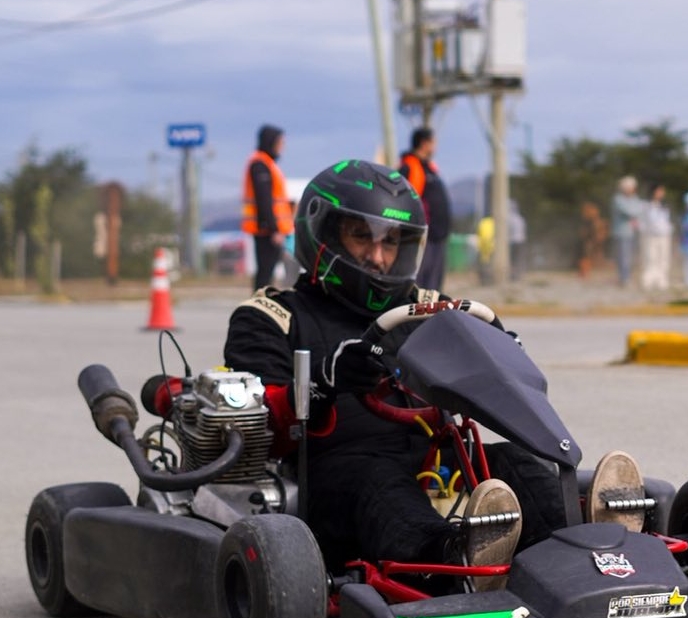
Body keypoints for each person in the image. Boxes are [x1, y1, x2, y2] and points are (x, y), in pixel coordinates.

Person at [222, 160, 643, 589]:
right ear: (324, 236)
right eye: (361, 237)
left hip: (437, 463)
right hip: (333, 480)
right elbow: (258, 425)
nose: (378, 257)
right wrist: (325, 382)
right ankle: (455, 560)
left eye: (391, 242)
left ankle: (589, 541)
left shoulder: (427, 307)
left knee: (513, 462)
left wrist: (502, 354)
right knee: (378, 481)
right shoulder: (272, 316)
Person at [241, 124, 294, 290]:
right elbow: (264, 200)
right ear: (271, 142)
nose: (282, 146)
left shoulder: (267, 164)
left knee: (267, 273)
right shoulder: (260, 165)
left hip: (270, 229)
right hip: (266, 230)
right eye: (280, 142)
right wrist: (273, 229)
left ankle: (263, 299)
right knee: (265, 273)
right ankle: (259, 302)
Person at [400, 127, 451, 291]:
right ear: (424, 143)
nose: (435, 146)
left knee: (434, 285)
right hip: (422, 237)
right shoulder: (410, 167)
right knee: (420, 283)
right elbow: (404, 201)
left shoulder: (429, 168)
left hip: (437, 236)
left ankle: (431, 307)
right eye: (433, 142)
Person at [639, 185, 673, 291]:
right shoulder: (646, 205)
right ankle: (648, 280)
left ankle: (661, 280)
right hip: (650, 236)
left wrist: (668, 229)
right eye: (659, 191)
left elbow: (667, 221)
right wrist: (644, 231)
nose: (661, 193)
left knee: (663, 258)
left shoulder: (665, 206)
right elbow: (642, 221)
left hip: (663, 235)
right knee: (650, 258)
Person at [610, 176, 641, 287]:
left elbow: (640, 209)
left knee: (631, 256)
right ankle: (623, 278)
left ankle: (628, 276)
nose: (632, 189)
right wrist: (636, 211)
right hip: (621, 232)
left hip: (633, 232)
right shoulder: (618, 199)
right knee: (623, 257)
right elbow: (630, 211)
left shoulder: (635, 198)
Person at [578, 202, 606, 278]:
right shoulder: (587, 223)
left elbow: (600, 232)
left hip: (593, 241)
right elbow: (583, 233)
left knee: (588, 254)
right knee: (586, 254)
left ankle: (586, 271)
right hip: (589, 241)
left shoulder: (597, 222)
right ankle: (584, 271)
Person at [507, 200, 527, 282]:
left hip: (512, 241)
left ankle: (514, 275)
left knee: (512, 260)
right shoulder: (520, 218)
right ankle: (518, 275)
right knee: (518, 259)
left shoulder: (508, 218)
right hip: (521, 241)